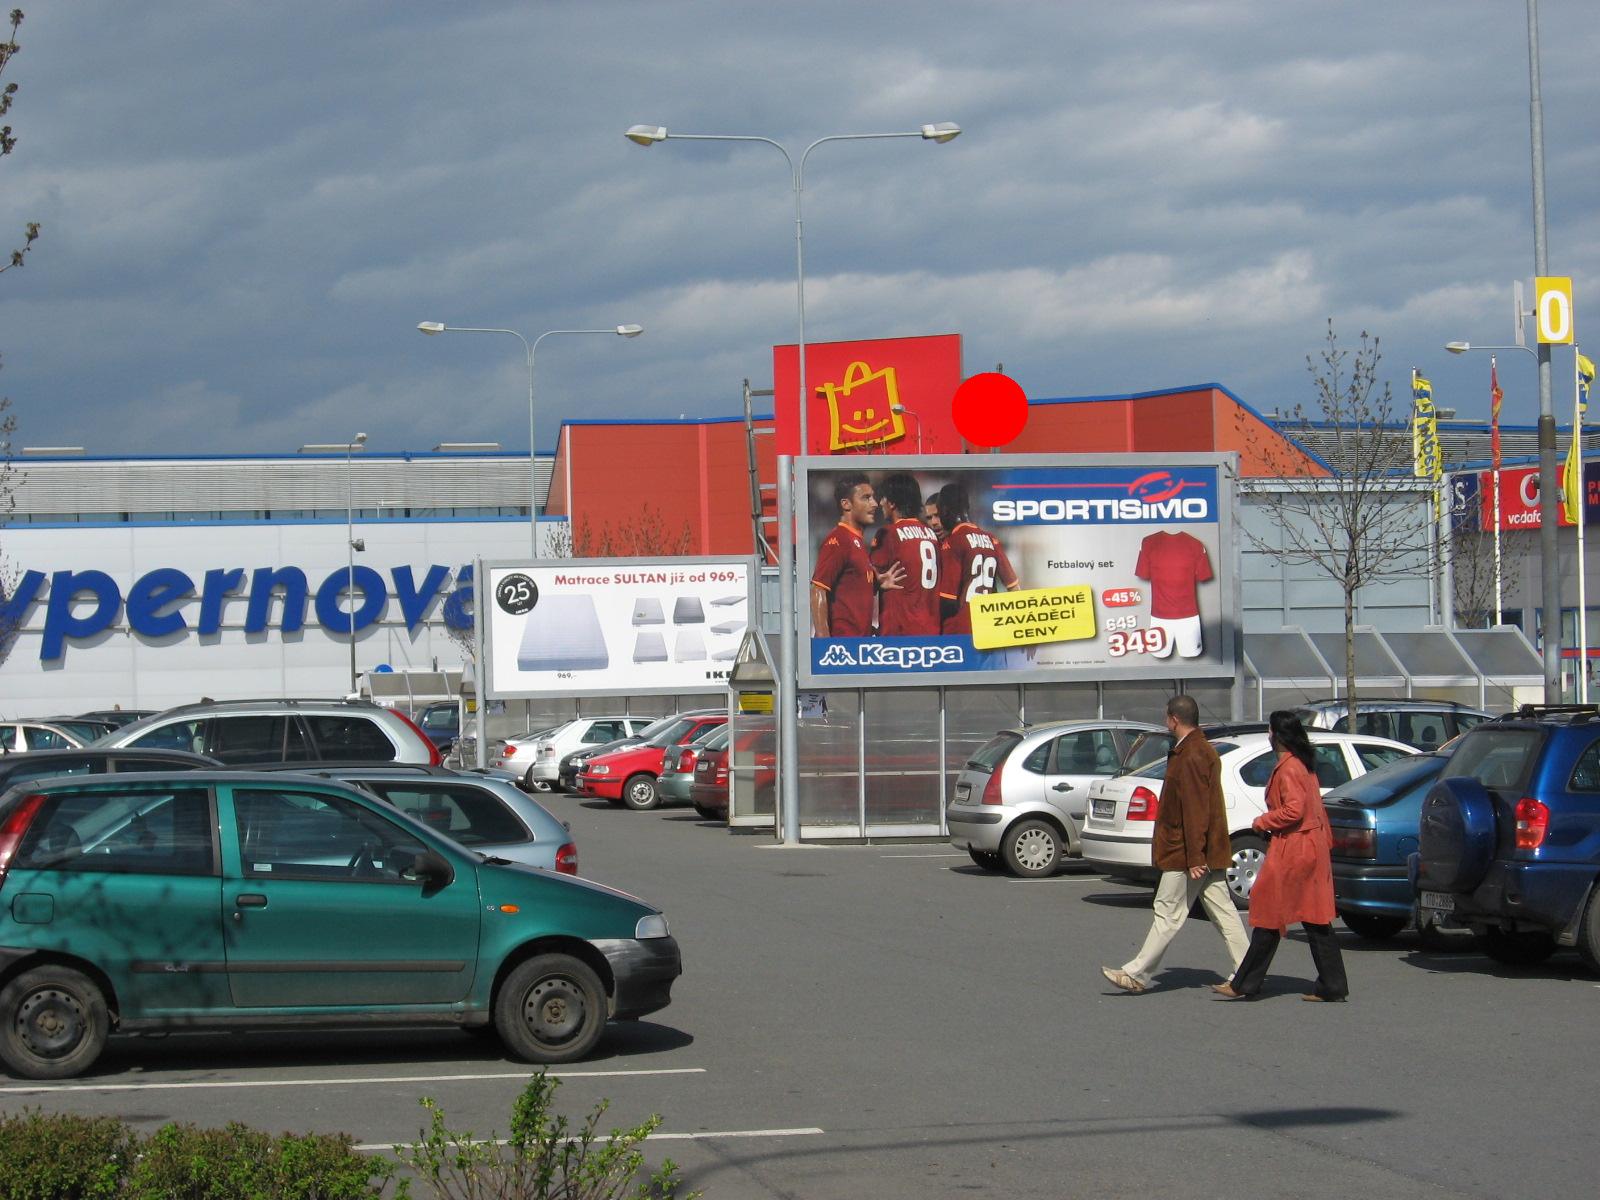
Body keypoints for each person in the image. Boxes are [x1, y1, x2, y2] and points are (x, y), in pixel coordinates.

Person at [1101, 694, 1249, 994]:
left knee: (1167, 911)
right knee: (1223, 911)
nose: (1165, 722)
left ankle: (1136, 973)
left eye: (1166, 717)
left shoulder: (1192, 755)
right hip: (1201, 851)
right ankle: (1249, 971)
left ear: (1174, 720)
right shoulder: (1197, 750)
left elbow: (1195, 810)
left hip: (1185, 853)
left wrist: (1195, 857)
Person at [1212, 710, 1349, 1002]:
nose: (1269, 735)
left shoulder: (1289, 768)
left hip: (1295, 848)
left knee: (1269, 911)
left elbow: (1294, 810)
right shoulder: (1302, 764)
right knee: (1313, 918)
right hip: (1309, 845)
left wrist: (1263, 822)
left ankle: (1245, 983)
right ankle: (1331, 984)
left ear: (1277, 734)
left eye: (1271, 730)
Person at [810, 474, 903, 637]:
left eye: (873, 497)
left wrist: (876, 583)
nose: (874, 504)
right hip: (842, 648)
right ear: (846, 504)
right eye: (866, 498)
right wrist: (824, 644)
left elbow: (849, 587)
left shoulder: (857, 541)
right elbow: (818, 589)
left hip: (858, 646)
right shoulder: (838, 539)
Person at [934, 483, 1020, 636]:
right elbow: (1014, 588)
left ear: (945, 511)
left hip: (960, 630)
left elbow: (948, 600)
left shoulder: (954, 541)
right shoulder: (991, 539)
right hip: (988, 631)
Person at [869, 471, 945, 635]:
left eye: (882, 498)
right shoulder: (932, 535)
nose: (879, 503)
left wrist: (876, 582)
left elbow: (867, 579)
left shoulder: (888, 534)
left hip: (899, 634)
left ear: (892, 503)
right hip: (931, 632)